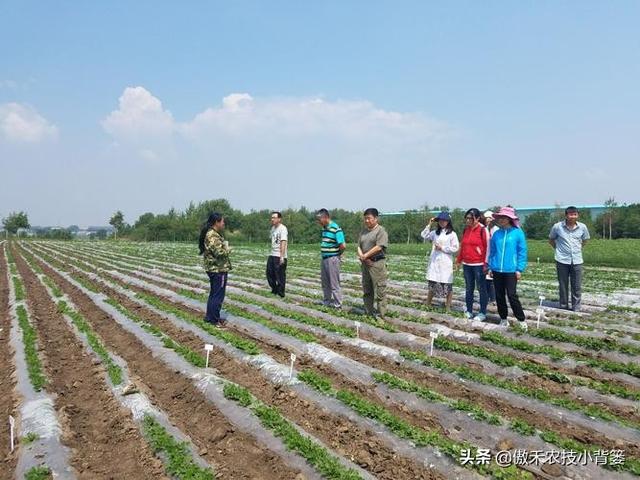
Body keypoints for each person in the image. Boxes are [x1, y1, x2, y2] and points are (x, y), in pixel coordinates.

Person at [487, 206, 528, 329]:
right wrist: (490, 266)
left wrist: (519, 269)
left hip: (511, 270)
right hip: (497, 270)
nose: (500, 220)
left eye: (503, 218)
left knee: (511, 295)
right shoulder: (496, 234)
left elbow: (522, 252)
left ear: (510, 219)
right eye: (499, 217)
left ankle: (521, 320)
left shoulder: (517, 233)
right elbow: (493, 252)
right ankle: (503, 318)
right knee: (499, 296)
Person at [549, 206, 590, 311]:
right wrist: (558, 249)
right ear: (566, 215)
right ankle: (563, 305)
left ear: (577, 215)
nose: (573, 216)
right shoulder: (557, 227)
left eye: (575, 214)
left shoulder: (582, 227)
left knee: (576, 285)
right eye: (570, 214)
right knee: (563, 284)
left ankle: (576, 306)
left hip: (577, 260)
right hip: (562, 259)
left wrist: (579, 248)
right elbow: (551, 239)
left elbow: (585, 240)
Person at [421, 212, 459, 311]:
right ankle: (428, 303)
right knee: (432, 284)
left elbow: (455, 248)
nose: (442, 222)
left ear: (448, 221)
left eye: (444, 220)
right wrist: (429, 224)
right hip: (435, 262)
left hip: (445, 262)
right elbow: (424, 235)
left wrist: (442, 248)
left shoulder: (452, 234)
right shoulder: (434, 233)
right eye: (440, 220)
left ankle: (448, 306)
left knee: (447, 285)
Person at [198, 212, 231, 327]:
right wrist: (228, 249)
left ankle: (210, 317)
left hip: (214, 268)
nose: (224, 223)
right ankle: (214, 320)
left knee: (214, 294)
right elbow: (219, 253)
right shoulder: (212, 235)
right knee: (218, 296)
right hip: (218, 269)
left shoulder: (213, 234)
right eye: (222, 221)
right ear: (216, 222)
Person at [456, 208, 489, 321]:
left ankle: (482, 312)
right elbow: (463, 246)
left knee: (481, 288)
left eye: (470, 218)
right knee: (469, 288)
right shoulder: (466, 230)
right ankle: (469, 311)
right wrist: (458, 260)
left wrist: (486, 264)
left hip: (479, 264)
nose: (468, 220)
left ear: (478, 218)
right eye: (467, 218)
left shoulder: (483, 230)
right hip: (467, 264)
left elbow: (487, 247)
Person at [357, 208, 389, 319]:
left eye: (369, 218)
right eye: (365, 218)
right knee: (367, 290)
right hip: (365, 264)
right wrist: (363, 257)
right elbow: (358, 246)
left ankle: (381, 315)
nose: (366, 221)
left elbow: (379, 246)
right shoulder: (363, 231)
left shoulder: (381, 231)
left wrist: (365, 256)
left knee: (380, 291)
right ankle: (368, 312)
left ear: (376, 218)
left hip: (376, 264)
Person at [316, 209, 346, 308]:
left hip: (332, 258)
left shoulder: (336, 228)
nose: (318, 221)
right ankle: (326, 302)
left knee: (334, 283)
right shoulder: (324, 228)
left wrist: (338, 254)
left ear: (325, 217)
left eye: (319, 219)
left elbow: (342, 245)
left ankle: (338, 304)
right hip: (324, 258)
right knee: (325, 282)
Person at [266, 211, 288, 297]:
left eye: (274, 218)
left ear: (279, 219)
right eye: (271, 218)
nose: (272, 219)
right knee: (269, 273)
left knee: (280, 275)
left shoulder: (283, 229)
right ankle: (274, 289)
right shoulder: (273, 228)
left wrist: (282, 257)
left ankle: (281, 293)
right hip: (272, 254)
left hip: (279, 255)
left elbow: (283, 242)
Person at [480, 210, 498, 304]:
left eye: (490, 218)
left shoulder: (496, 230)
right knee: (485, 279)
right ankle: (486, 298)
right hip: (484, 257)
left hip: (493, 257)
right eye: (487, 218)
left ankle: (493, 298)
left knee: (491, 280)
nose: (489, 220)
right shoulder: (484, 229)